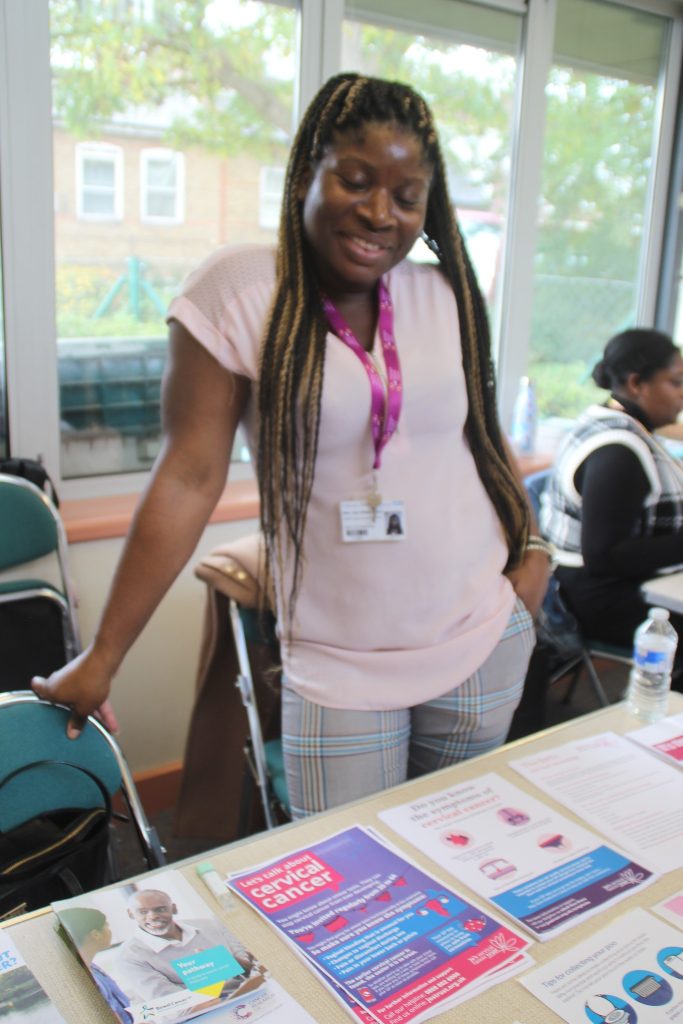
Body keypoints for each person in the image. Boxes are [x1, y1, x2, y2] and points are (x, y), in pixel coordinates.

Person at [33, 73, 548, 817]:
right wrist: (104, 656)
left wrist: (531, 554)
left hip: (478, 639)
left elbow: (484, 440)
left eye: (406, 197)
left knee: (457, 870)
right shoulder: (241, 290)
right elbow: (188, 477)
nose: (380, 213)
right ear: (308, 168)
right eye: (356, 180)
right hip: (340, 666)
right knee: (352, 892)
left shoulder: (444, 293)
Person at [542, 327, 683, 677]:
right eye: (676, 383)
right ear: (637, 384)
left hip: (615, 587)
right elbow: (605, 557)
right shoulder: (618, 450)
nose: (682, 394)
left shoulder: (615, 422)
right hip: (599, 599)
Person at [115, 888, 256, 1000]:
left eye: (160, 909)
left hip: (250, 993)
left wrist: (226, 962)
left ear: (174, 908)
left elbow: (251, 970)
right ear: (131, 914)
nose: (152, 916)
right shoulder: (128, 957)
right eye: (143, 912)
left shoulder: (211, 925)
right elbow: (171, 1002)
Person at [57, 907, 133, 1024]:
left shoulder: (92, 968)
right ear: (95, 934)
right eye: (107, 926)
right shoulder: (83, 977)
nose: (110, 930)